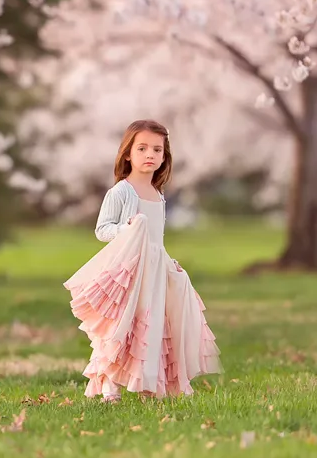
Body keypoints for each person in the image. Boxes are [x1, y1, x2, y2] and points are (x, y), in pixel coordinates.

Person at [64, 119, 221, 402]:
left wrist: (170, 262)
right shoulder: (121, 192)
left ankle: (149, 381)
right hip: (128, 270)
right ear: (128, 153)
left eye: (157, 150)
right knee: (120, 325)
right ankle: (109, 384)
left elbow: (156, 240)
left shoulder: (158, 195)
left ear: (164, 156)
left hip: (154, 270)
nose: (150, 155)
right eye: (142, 148)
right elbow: (103, 229)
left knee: (151, 326)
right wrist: (128, 228)